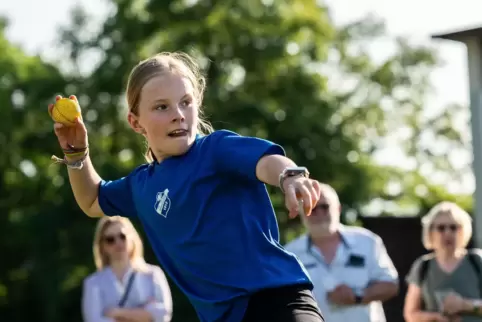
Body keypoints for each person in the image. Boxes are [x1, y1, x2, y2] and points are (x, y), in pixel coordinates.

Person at [49, 52, 324, 322]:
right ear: (135, 122)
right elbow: (92, 200)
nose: (178, 115)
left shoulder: (215, 150)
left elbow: (266, 162)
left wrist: (290, 176)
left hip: (277, 302)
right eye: (161, 107)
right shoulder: (140, 185)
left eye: (186, 102)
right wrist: (76, 153)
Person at [285, 183, 399, 322]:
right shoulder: (290, 253)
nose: (319, 213)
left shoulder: (367, 241)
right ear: (301, 212)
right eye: (312, 208)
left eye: (325, 206)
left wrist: (358, 296)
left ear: (338, 209)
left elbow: (390, 285)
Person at [82, 216, 172, 322]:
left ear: (132, 238)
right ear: (102, 246)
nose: (118, 242)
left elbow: (164, 315)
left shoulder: (153, 274)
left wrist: (117, 313)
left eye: (122, 236)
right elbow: (93, 320)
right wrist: (144, 314)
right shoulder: (93, 283)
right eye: (110, 240)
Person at [404, 201, 482, 322]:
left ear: (462, 231)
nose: (448, 233)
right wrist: (435, 318)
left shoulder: (477, 261)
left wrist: (465, 305)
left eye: (453, 227)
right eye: (441, 228)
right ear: (430, 232)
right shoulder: (423, 266)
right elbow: (410, 313)